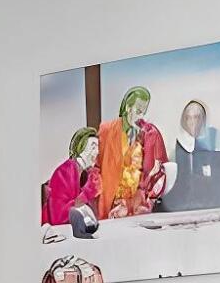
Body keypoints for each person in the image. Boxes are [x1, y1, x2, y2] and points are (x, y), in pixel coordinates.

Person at [96, 85, 167, 216]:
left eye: (144, 112)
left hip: (137, 206)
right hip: (110, 203)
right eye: (138, 111)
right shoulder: (106, 130)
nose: (141, 117)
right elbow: (95, 167)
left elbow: (161, 172)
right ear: (128, 107)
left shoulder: (150, 133)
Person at [40, 128, 99, 227]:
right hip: (52, 232)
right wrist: (88, 193)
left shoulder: (84, 174)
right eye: (93, 147)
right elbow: (58, 218)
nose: (97, 152)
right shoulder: (64, 171)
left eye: (98, 148)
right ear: (80, 148)